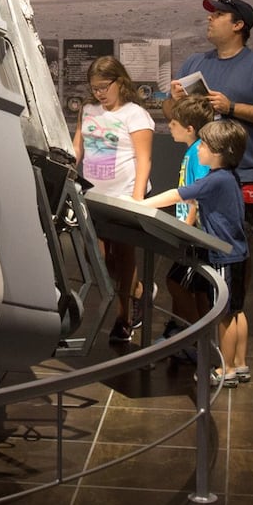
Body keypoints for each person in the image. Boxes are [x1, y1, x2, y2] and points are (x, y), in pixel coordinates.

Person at [170, 0, 253, 223]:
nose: (210, 18)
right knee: (196, 246)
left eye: (218, 15)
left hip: (243, 176)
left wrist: (231, 107)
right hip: (198, 172)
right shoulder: (194, 62)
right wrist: (174, 101)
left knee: (234, 248)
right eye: (211, 14)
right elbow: (171, 114)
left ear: (238, 25)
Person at [73, 55, 153, 344]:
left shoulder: (135, 114)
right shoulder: (89, 110)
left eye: (104, 86)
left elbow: (144, 160)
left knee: (124, 257)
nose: (99, 93)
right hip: (94, 196)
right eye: (94, 88)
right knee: (96, 257)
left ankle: (124, 319)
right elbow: (77, 148)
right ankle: (140, 292)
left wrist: (137, 199)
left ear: (120, 81)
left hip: (125, 196)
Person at [178, 118, 252, 385]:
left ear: (218, 152)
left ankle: (226, 369)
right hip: (239, 254)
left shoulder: (215, 180)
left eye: (204, 145)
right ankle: (240, 364)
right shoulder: (229, 177)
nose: (198, 149)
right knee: (237, 310)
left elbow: (180, 194)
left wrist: (142, 202)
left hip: (223, 256)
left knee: (224, 315)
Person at [141, 93, 216, 354]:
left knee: (178, 283)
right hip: (190, 230)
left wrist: (187, 226)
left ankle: (195, 335)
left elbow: (198, 192)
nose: (169, 126)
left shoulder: (199, 152)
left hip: (195, 234)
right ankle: (194, 335)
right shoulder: (193, 151)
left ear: (189, 128)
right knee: (194, 287)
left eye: (172, 123)